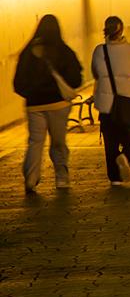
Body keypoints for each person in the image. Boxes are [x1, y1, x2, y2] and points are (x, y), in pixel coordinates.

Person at [13, 15, 83, 194]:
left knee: (35, 142)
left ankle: (31, 177)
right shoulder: (64, 51)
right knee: (58, 142)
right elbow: (76, 79)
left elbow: (18, 82)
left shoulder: (27, 52)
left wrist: (31, 94)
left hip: (34, 106)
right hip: (58, 104)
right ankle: (61, 176)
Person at [91, 16, 130, 187]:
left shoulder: (99, 51)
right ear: (122, 30)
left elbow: (95, 73)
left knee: (110, 139)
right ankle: (127, 155)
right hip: (128, 99)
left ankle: (114, 177)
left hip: (107, 103)